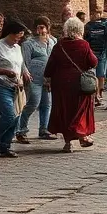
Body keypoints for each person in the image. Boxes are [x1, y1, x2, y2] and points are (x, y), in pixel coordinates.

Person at [44, 17, 98, 153]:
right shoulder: (84, 45)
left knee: (65, 111)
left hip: (60, 83)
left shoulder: (59, 45)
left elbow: (50, 66)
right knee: (80, 109)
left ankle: (68, 142)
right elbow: (93, 62)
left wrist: (47, 78)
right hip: (78, 83)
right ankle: (81, 135)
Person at [0, 20, 29, 158]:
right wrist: (4, 71)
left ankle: (5, 146)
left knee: (16, 116)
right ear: (10, 33)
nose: (19, 39)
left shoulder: (17, 48)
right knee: (9, 115)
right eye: (17, 36)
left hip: (15, 86)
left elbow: (19, 64)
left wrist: (24, 73)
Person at [17, 17, 57, 143]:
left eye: (43, 27)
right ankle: (21, 129)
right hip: (34, 78)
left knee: (47, 104)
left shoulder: (53, 41)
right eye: (38, 27)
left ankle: (44, 129)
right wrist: (26, 73)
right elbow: (25, 61)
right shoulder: (28, 43)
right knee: (33, 103)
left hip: (48, 78)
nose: (41, 30)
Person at [84, 11, 107, 106]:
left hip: (102, 52)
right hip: (92, 52)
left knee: (101, 74)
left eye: (98, 13)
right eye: (94, 13)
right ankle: (95, 95)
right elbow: (85, 38)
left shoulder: (104, 25)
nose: (95, 15)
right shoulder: (88, 26)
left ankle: (99, 94)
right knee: (92, 74)